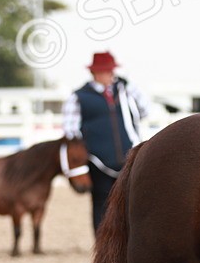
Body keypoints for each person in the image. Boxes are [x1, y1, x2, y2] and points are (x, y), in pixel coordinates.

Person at [62, 52, 150, 232]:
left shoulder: (124, 91)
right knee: (101, 204)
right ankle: (102, 241)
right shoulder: (79, 97)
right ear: (96, 73)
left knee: (130, 203)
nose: (111, 75)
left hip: (128, 157)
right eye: (108, 71)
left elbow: (145, 110)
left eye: (112, 71)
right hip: (98, 160)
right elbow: (71, 130)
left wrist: (130, 88)